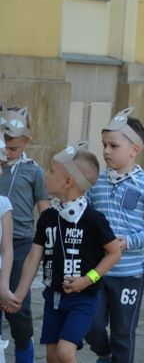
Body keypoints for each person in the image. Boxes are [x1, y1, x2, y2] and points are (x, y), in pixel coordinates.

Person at [6, 143, 121, 363]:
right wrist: (19, 294)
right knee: (51, 357)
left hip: (82, 300)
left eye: (50, 170)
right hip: (53, 299)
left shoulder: (93, 219)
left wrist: (88, 279)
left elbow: (114, 253)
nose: (45, 173)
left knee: (65, 353)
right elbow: (33, 257)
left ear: (68, 182)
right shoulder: (48, 217)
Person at [85, 108, 144, 363]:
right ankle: (104, 352)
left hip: (128, 273)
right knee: (92, 323)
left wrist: (130, 241)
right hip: (98, 271)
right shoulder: (97, 182)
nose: (106, 151)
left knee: (123, 333)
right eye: (104, 145)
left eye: (113, 145)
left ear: (134, 149)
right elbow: (86, 215)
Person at [0, 105, 49, 362]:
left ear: (27, 141)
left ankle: (24, 349)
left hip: (20, 245)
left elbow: (45, 211)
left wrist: (48, 245)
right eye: (3, 146)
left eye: (14, 148)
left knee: (17, 308)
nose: (7, 154)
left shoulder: (33, 171)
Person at [0, 133, 14, 311]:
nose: (1, 172)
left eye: (1, 165)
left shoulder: (3, 204)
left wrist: (3, 286)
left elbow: (7, 248)